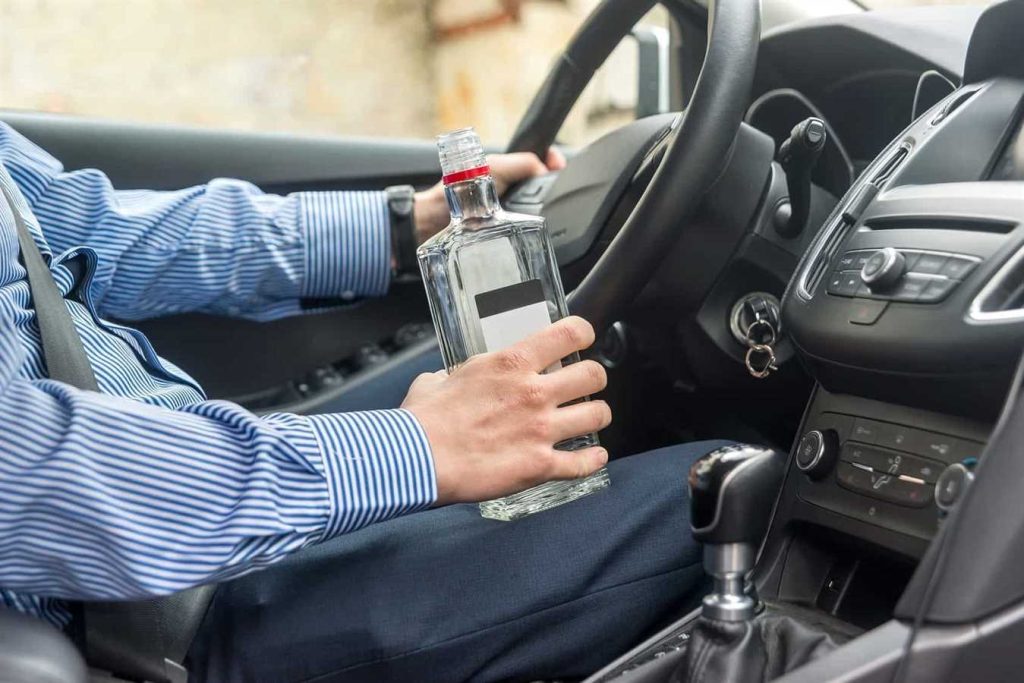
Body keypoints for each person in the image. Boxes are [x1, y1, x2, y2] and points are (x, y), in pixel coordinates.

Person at [0, 121, 727, 681]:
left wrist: (399, 226)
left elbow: (94, 230)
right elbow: (22, 471)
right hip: (144, 608)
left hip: (182, 479)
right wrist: (417, 445)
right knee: (722, 491)